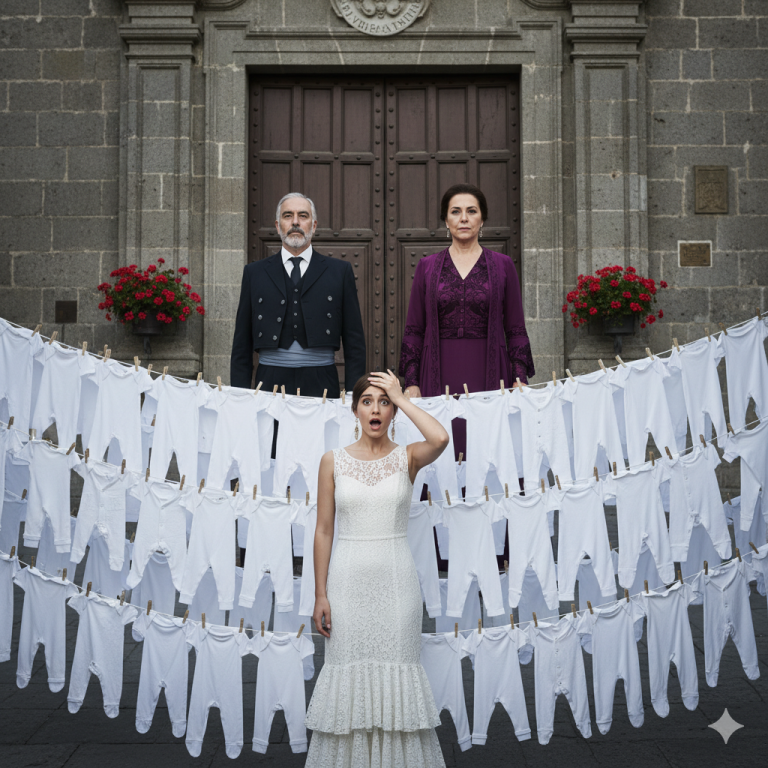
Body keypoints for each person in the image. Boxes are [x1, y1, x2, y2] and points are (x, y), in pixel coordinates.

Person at [305, 370, 449, 767]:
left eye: (383, 402)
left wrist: (402, 397)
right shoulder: (331, 461)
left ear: (392, 413)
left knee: (398, 683)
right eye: (368, 401)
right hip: (347, 584)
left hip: (397, 585)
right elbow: (323, 530)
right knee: (347, 683)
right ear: (355, 411)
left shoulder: (408, 457)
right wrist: (320, 594)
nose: (376, 408)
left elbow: (440, 438)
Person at [398, 183, 534, 567]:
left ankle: (493, 549)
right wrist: (411, 380)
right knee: (440, 455)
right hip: (436, 376)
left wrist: (520, 374)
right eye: (456, 211)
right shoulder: (427, 267)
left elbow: (516, 327)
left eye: (471, 211)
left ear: (482, 219)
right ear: (445, 219)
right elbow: (414, 329)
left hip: (490, 376)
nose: (463, 218)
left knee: (488, 454)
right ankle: (439, 550)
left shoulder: (502, 266)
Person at [230, 192, 366, 397]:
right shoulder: (254, 273)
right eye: (288, 216)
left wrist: (354, 395)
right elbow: (242, 342)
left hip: (322, 382)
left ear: (314, 225)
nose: (295, 222)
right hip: (269, 382)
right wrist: (239, 396)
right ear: (278, 226)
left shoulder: (339, 271)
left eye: (303, 215)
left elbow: (354, 341)